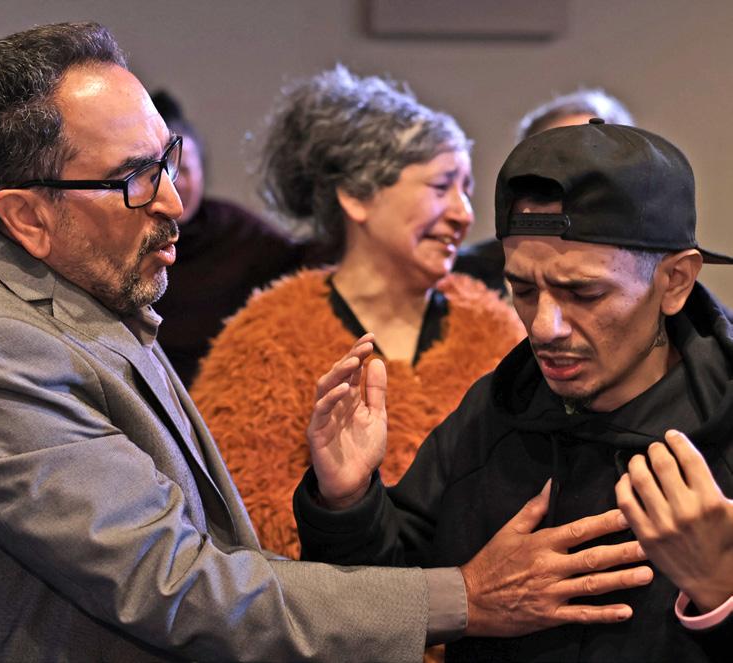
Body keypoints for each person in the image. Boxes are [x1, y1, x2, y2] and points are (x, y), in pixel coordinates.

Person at [0, 22, 656, 662]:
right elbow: (178, 582)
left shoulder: (94, 287)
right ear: (28, 217)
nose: (174, 202)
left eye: (167, 161)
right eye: (132, 178)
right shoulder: (1, 348)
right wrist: (464, 595)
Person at [295, 120, 733, 662]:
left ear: (675, 282)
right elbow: (381, 611)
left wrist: (722, 592)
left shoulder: (722, 429)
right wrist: (347, 503)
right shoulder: (496, 410)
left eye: (583, 293)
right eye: (523, 290)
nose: (545, 327)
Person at [190, 65, 525, 562]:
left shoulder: (498, 331)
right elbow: (244, 518)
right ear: (356, 197)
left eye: (466, 189)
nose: (464, 214)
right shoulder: (269, 337)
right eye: (441, 187)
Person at [149, 90, 321, 387]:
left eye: (183, 169)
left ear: (202, 171)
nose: (174, 185)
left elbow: (301, 261)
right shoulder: (130, 237)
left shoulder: (236, 231)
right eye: (159, 172)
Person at [454, 87, 634, 289]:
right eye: (558, 158)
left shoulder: (647, 267)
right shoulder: (465, 274)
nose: (571, 175)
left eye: (592, 157)